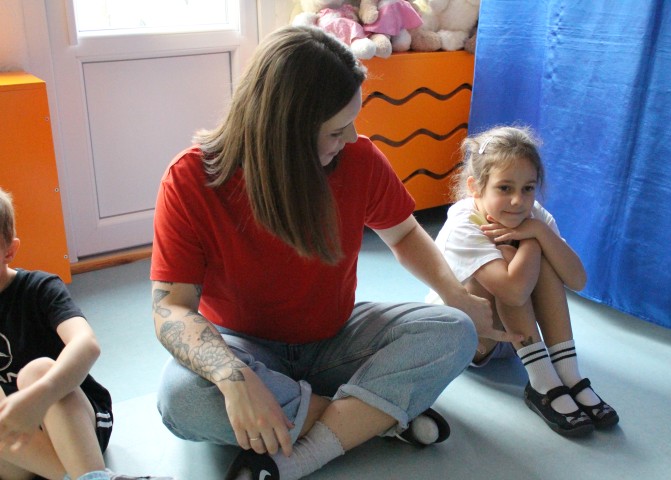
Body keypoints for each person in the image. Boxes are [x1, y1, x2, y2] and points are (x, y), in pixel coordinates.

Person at [150, 26, 520, 480]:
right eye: (336, 129)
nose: (352, 136)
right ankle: (372, 418)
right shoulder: (190, 178)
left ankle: (315, 442)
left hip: (336, 339)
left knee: (453, 331)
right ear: (285, 131)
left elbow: (405, 234)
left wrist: (457, 296)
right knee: (181, 398)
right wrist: (232, 376)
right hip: (243, 347)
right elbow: (171, 308)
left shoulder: (359, 159)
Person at [427, 126, 619, 437]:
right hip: (471, 341)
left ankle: (568, 374)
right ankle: (543, 383)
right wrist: (531, 242)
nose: (518, 200)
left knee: (541, 258)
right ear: (476, 187)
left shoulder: (534, 217)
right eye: (504, 188)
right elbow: (514, 293)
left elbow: (577, 279)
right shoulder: (464, 225)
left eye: (528, 188)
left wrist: (539, 233)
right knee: (512, 262)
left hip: (518, 341)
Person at [0, 188, 173, 480]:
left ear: (9, 251)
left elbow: (87, 344)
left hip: (74, 422)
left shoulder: (39, 288)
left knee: (37, 371)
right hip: (20, 445)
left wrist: (38, 397)